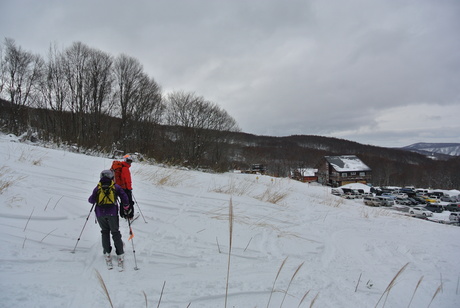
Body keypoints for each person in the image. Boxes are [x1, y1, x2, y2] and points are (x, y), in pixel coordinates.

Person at [88, 169, 130, 267]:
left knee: (104, 231)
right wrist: (126, 206)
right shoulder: (115, 186)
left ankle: (107, 252)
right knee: (115, 232)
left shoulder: (97, 188)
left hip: (100, 214)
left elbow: (91, 200)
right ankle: (120, 253)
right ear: (111, 177)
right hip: (112, 213)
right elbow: (124, 197)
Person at [118, 154, 134, 219]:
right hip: (125, 188)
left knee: (123, 201)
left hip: (120, 187)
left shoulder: (121, 166)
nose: (130, 163)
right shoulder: (125, 168)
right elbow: (128, 180)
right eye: (128, 161)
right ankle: (129, 215)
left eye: (131, 161)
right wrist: (129, 188)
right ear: (125, 160)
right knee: (129, 202)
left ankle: (122, 214)